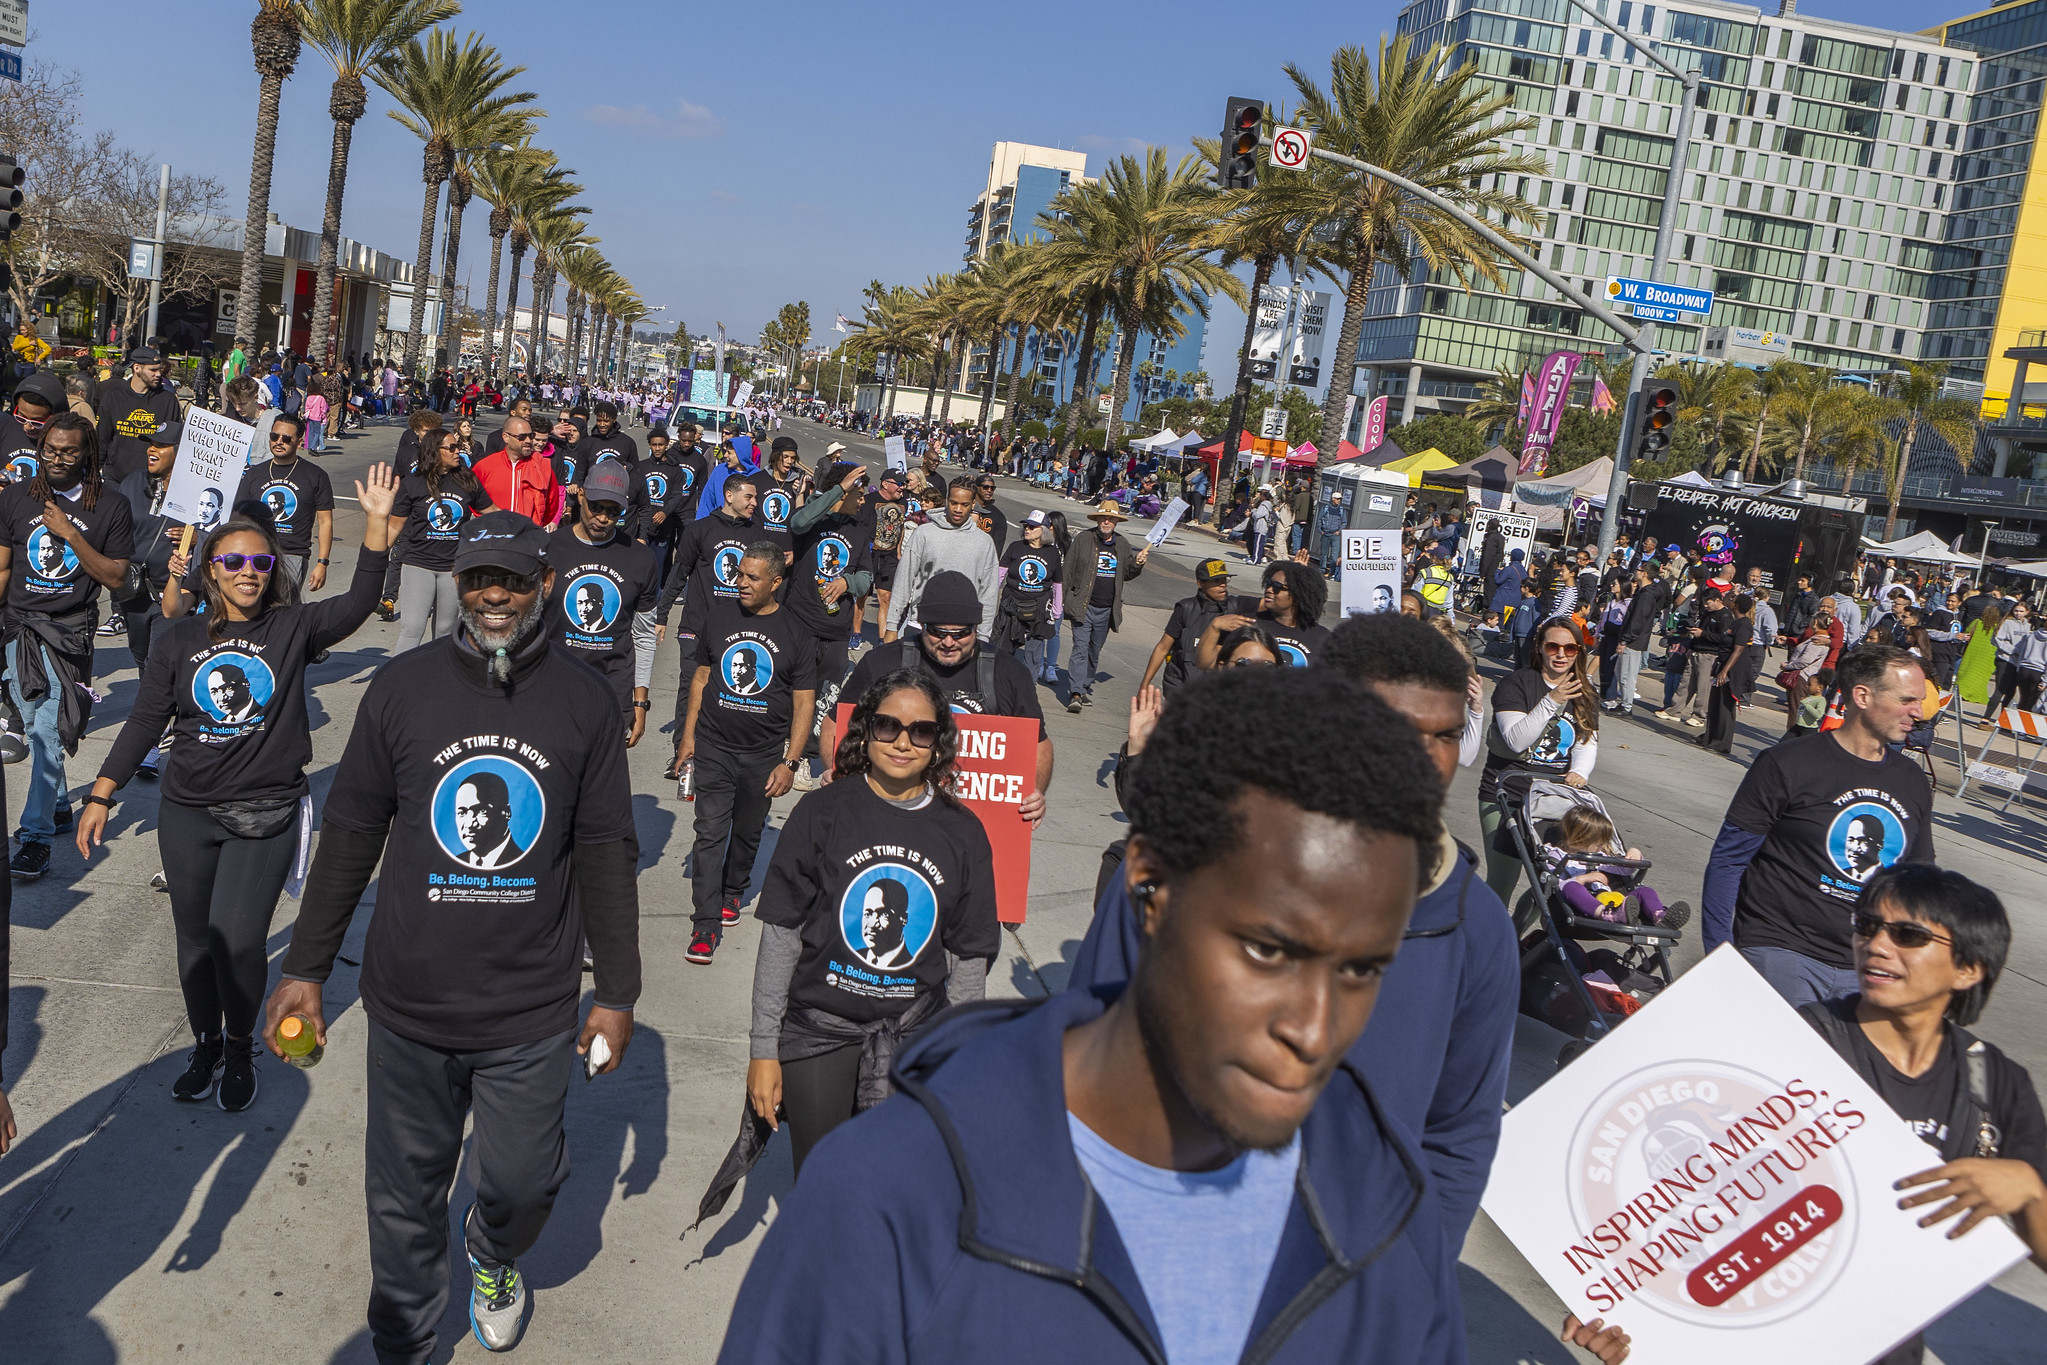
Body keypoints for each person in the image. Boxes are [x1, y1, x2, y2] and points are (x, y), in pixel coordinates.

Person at [716, 668, 1483, 1365]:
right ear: (1149, 883)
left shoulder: (1389, 1211)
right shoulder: (892, 1194)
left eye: (1360, 968)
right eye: (1266, 949)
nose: (1314, 1030)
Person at [262, 512, 640, 1362]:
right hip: (410, 1005)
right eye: (477, 579)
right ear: (457, 584)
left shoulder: (584, 699)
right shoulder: (402, 688)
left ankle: (492, 1251)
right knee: (402, 1196)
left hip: (529, 1008)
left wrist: (617, 992)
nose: (493, 595)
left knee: (522, 1183)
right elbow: (352, 832)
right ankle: (402, 1340)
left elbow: (606, 850)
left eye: (512, 579)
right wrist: (306, 967)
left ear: (544, 583)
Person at [1072, 613, 1520, 1275]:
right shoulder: (1187, 859)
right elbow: (1084, 1045)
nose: (1429, 759)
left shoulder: (1475, 927)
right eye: (1399, 727)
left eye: (1447, 734)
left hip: (1339, 1286)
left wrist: (1408, 1280)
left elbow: (1457, 1137)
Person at [76, 465, 397, 1111]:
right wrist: (102, 791)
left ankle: (242, 1043)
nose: (247, 571)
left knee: (238, 939)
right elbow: (146, 718)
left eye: (259, 561)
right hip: (187, 811)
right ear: (211, 571)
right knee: (195, 940)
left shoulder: (292, 628)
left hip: (265, 813)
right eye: (232, 561)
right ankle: (206, 1044)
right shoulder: (179, 639)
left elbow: (360, 602)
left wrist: (377, 529)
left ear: (271, 569)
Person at [745, 670, 999, 1175]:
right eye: (888, 726)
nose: (903, 742)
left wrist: (958, 1056)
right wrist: (763, 1050)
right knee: (821, 1180)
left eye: (921, 731)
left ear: (938, 742)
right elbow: (781, 934)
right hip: (819, 1032)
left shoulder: (963, 833)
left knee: (892, 1185)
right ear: (865, 732)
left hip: (915, 1038)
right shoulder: (820, 812)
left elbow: (968, 956)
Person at [1794, 866, 2047, 1365]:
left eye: (1907, 935)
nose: (1876, 945)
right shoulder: (1793, 1039)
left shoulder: (1997, 1080)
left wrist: (2030, 1191)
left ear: (1968, 969)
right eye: (1867, 926)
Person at [1703, 644, 1935, 1007]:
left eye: (1920, 701)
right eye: (1907, 700)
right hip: (1781, 952)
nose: (1918, 712)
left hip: (1866, 967)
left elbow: (1920, 882)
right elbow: (1728, 862)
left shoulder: (1913, 781)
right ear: (1862, 696)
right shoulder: (1787, 763)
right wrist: (1720, 954)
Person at [1, 414, 135, 879]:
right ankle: (59, 805)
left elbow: (117, 577)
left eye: (68, 452)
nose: (56, 459)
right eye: (50, 450)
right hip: (19, 629)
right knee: (32, 721)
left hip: (69, 632)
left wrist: (71, 534)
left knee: (47, 730)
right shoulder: (15, 497)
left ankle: (34, 838)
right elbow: (3, 567)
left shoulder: (110, 506)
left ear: (87, 455)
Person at [678, 541, 818, 966]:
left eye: (751, 577)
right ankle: (704, 926)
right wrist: (688, 739)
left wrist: (790, 762)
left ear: (775, 582)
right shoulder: (719, 617)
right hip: (714, 747)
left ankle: (733, 890)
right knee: (709, 833)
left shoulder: (796, 633)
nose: (740, 582)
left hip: (763, 755)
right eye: (739, 573)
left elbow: (804, 703)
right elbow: (701, 678)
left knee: (747, 832)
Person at [840, 569, 1052, 823]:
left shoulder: (1010, 674)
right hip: (887, 816)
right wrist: (837, 771)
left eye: (961, 633)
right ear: (922, 625)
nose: (949, 642)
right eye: (938, 633)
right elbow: (839, 722)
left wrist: (1035, 791)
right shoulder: (881, 663)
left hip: (972, 821)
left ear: (976, 628)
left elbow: (1038, 744)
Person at [1478, 615, 1600, 905]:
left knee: (1553, 885)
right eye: (1553, 647)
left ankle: (1516, 933)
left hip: (1554, 799)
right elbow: (1516, 740)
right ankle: (1485, 932)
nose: (1561, 654)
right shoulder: (1516, 684)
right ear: (1540, 648)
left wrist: (1580, 772)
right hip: (1507, 794)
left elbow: (1586, 741)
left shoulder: (1585, 691)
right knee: (1503, 880)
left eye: (1570, 648)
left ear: (1579, 652)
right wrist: (1552, 700)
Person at [543, 459, 660, 746]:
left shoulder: (641, 559)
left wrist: (640, 701)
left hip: (612, 692)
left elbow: (644, 636)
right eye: (596, 507)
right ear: (581, 496)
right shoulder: (549, 549)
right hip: (552, 688)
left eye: (613, 511)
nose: (603, 518)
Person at [784, 463, 877, 786]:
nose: (862, 501)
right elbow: (798, 522)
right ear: (843, 492)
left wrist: (847, 582)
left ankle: (805, 757)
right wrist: (838, 489)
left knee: (824, 698)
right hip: (801, 623)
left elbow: (867, 578)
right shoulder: (815, 519)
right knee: (795, 691)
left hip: (836, 631)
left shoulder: (858, 530)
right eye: (858, 494)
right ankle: (786, 750)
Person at [390, 425, 495, 651]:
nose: (458, 451)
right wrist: (375, 557)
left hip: (454, 568)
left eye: (458, 447)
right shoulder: (413, 482)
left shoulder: (467, 480)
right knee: (412, 628)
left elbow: (492, 513)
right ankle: (399, 672)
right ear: (435, 451)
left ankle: (438, 672)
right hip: (418, 564)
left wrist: (520, 527)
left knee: (445, 630)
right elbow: (394, 526)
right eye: (452, 447)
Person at [886, 475, 999, 643]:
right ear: (947, 501)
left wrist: (983, 636)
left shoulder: (984, 542)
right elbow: (904, 578)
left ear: (973, 504)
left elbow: (988, 593)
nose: (958, 509)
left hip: (962, 632)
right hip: (920, 625)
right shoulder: (924, 533)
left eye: (964, 505)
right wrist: (892, 625)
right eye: (954, 503)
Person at [1060, 499, 1148, 710]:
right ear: (1097, 519)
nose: (1106, 522)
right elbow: (1068, 571)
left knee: (1094, 650)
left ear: (1116, 522)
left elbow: (1126, 573)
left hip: (1107, 609)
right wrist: (1059, 600)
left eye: (1111, 519)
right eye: (1103, 518)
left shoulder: (1122, 544)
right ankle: (1076, 693)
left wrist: (1137, 563)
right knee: (1080, 648)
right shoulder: (1083, 539)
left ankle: (1084, 686)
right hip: (1083, 605)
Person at [234, 411, 334, 590]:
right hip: (255, 553)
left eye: (286, 438)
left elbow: (325, 522)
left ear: (299, 442)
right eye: (274, 436)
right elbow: (239, 518)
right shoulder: (254, 474)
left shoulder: (316, 476)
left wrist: (322, 562)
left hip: (292, 555)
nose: (279, 442)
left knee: (284, 605)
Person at [1192, 559, 1331, 671]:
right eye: (1269, 584)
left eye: (1277, 587)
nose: (1269, 590)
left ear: (1299, 595)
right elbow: (1206, 663)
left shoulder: (1322, 637)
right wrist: (1214, 626)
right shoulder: (1246, 623)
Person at [1140, 557, 1249, 693]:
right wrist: (1144, 684)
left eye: (1225, 580)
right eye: (1216, 581)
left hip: (1215, 692)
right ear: (1200, 583)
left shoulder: (1236, 608)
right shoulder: (1185, 608)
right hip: (1179, 687)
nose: (1222, 585)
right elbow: (1162, 648)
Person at [94, 346, 183, 483]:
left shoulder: (168, 401)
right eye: (153, 370)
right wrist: (95, 471)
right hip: (115, 479)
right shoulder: (114, 396)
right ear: (137, 368)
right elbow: (102, 439)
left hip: (150, 481)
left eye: (159, 369)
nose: (158, 374)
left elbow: (174, 444)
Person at [992, 509, 1062, 676]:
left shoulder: (1052, 553)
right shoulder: (1015, 547)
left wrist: (1057, 609)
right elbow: (1000, 574)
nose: (1027, 529)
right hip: (1012, 605)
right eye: (1026, 526)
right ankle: (1001, 681)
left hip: (1038, 608)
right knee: (1004, 647)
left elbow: (1057, 583)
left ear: (1043, 531)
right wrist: (991, 596)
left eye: (1032, 527)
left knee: (1033, 653)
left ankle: (1029, 685)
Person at [472, 414, 557, 526]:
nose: (528, 440)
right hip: (492, 532)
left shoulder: (542, 466)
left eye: (531, 436)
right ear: (506, 437)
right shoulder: (484, 466)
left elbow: (551, 506)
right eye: (522, 437)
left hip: (528, 533)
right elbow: (473, 500)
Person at [1702, 591, 1758, 755]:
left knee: (1725, 706)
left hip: (1733, 670)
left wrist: (1724, 672)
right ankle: (1709, 737)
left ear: (1737, 606)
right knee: (1715, 703)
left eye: (1733, 600)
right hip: (1723, 664)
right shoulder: (1735, 622)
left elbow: (1738, 650)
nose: (1730, 601)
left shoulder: (1744, 625)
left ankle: (1722, 742)